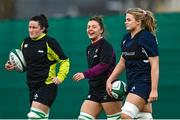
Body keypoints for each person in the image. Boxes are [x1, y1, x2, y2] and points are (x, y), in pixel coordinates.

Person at [5, 14, 70, 119]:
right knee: (40, 117)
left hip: (47, 86)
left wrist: (60, 77)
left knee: (34, 116)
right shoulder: (25, 42)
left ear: (43, 28)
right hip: (32, 86)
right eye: (29, 27)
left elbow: (65, 61)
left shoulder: (49, 42)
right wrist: (12, 65)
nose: (31, 30)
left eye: (34, 27)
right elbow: (25, 63)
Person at [106, 8, 159, 119]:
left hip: (144, 83)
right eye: (125, 19)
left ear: (138, 21)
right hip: (132, 82)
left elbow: (155, 66)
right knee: (143, 116)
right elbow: (122, 62)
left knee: (125, 115)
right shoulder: (126, 39)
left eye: (129, 20)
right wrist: (110, 80)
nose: (125, 22)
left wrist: (154, 90)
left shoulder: (147, 37)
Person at [72, 16, 122, 119]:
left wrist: (84, 74)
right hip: (94, 90)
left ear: (101, 30)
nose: (90, 29)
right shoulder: (89, 48)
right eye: (88, 27)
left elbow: (103, 66)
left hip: (108, 89)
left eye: (94, 27)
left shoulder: (106, 46)